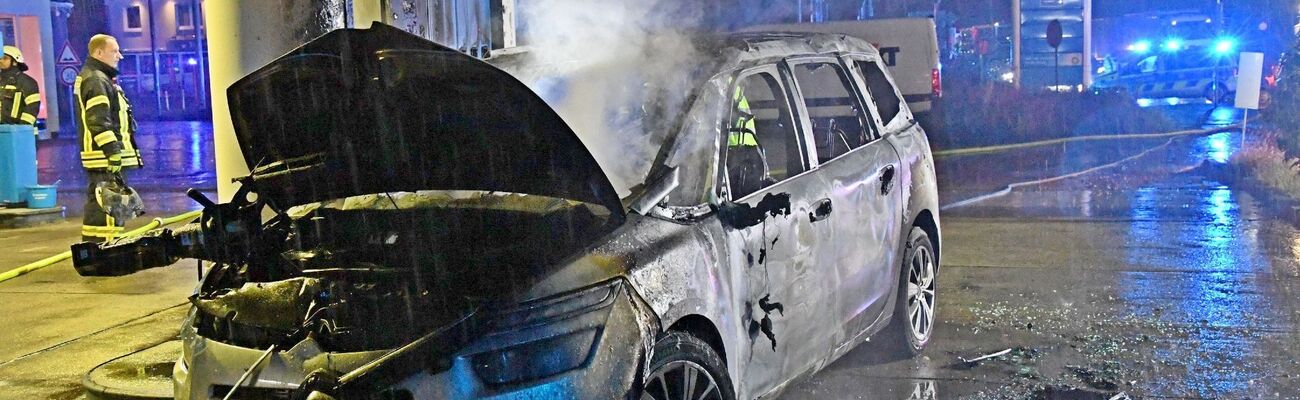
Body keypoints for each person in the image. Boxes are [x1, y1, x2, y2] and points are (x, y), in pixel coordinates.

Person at [76, 34, 140, 242]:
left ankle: (95, 250)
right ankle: (107, 252)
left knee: (100, 208)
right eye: (115, 51)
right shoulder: (96, 79)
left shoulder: (98, 78)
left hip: (101, 157)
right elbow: (99, 120)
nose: (119, 56)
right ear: (99, 53)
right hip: (105, 158)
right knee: (110, 209)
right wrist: (113, 152)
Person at [0, 46, 41, 128]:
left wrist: (21, 129)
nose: (0, 61)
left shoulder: (27, 82)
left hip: (20, 135)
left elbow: (32, 108)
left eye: (5, 58)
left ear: (15, 61)